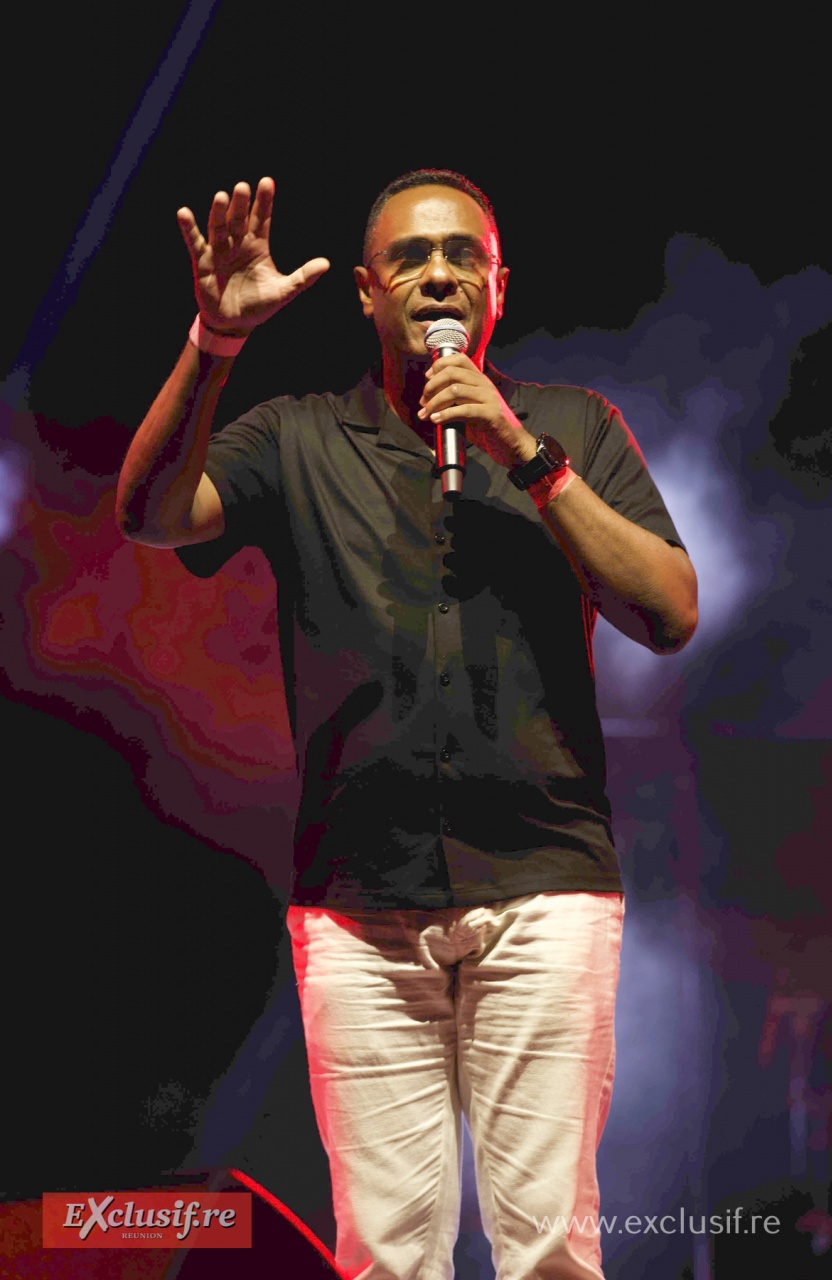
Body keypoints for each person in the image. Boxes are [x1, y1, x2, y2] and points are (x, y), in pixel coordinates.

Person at [116, 169, 698, 1280]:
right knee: (384, 1256)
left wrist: (524, 455)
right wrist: (213, 341)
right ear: (367, 292)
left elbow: (668, 612)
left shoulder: (569, 426)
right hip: (359, 906)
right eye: (410, 257)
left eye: (463, 255)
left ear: (498, 287)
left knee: (548, 1251)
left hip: (542, 891)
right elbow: (150, 515)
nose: (439, 274)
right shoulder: (296, 436)